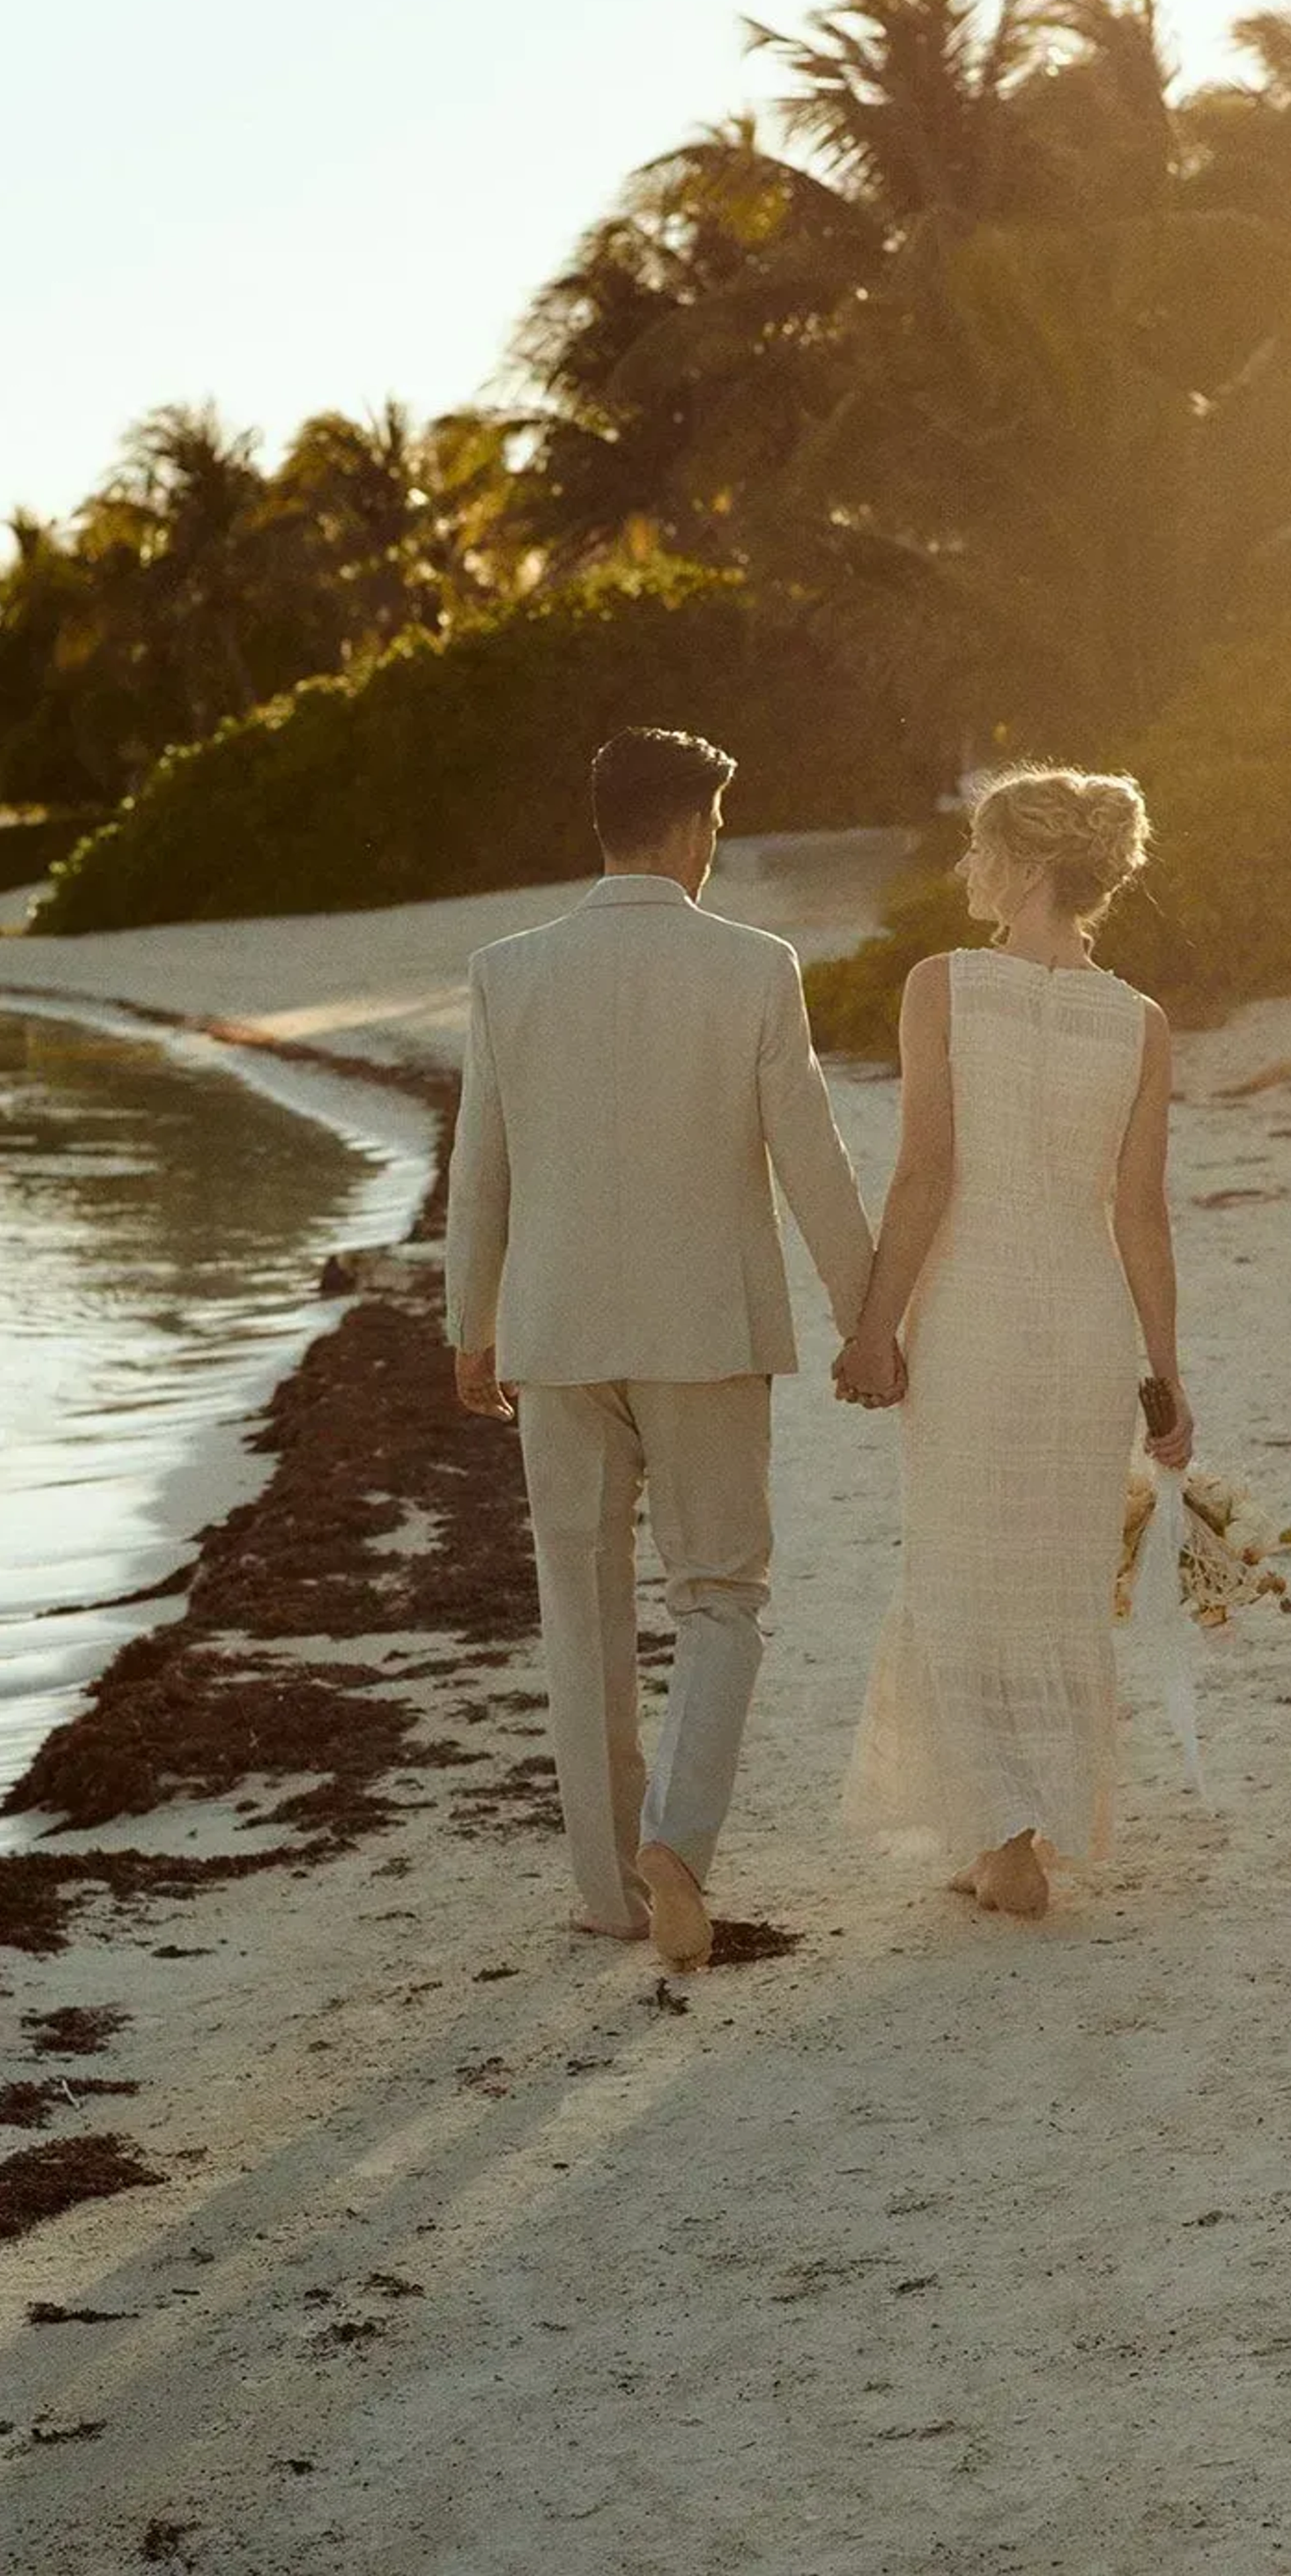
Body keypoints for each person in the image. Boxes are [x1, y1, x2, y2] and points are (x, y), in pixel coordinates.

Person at [446, 729, 885, 1967]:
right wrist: (869, 1317)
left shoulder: (507, 970)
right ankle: (678, 1845)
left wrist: (466, 1325)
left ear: (603, 822)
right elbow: (810, 1154)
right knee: (721, 1597)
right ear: (696, 828)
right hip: (707, 1332)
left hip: (557, 1331)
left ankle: (607, 1890)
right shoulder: (753, 965)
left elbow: (481, 1169)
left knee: (580, 1607)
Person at [837, 765, 1195, 1918]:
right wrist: (1166, 1373)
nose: (969, 870)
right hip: (1085, 1323)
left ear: (1031, 863)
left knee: (961, 1564)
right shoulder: (1138, 1020)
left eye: (983, 850)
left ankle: (1000, 1839)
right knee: (1052, 1576)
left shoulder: (943, 985)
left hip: (979, 1312)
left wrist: (874, 1327)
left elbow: (928, 1173)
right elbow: (1139, 1213)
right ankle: (1021, 1828)